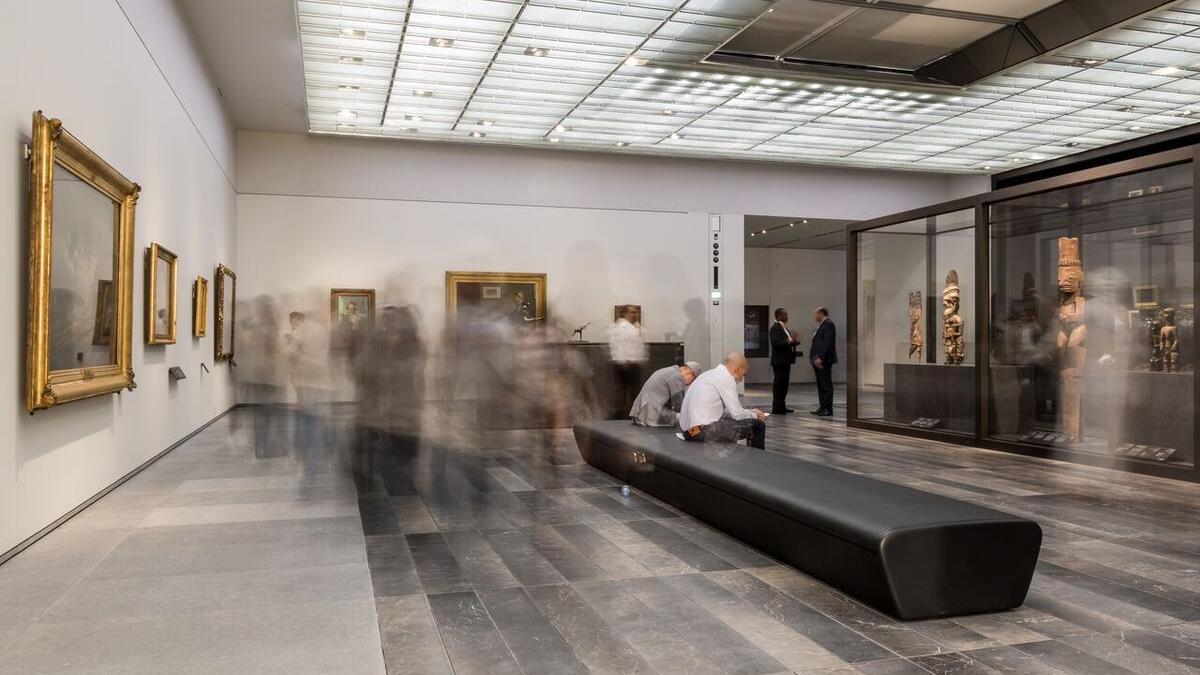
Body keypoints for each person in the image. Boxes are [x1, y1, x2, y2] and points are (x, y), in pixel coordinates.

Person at [679, 353, 767, 449]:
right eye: (744, 374)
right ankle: (756, 461)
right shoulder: (726, 378)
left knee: (728, 421)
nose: (742, 378)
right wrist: (756, 416)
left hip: (689, 432)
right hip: (701, 432)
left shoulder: (708, 374)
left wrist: (749, 412)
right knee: (758, 425)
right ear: (737, 369)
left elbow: (725, 411)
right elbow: (737, 415)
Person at [629, 361, 703, 427]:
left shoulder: (669, 371)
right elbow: (679, 405)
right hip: (650, 414)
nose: (690, 384)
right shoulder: (677, 377)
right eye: (693, 380)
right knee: (686, 419)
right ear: (689, 373)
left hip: (638, 412)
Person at [608, 306, 647, 416]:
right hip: (623, 364)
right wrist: (623, 360)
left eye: (636, 312)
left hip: (634, 364)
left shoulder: (636, 327)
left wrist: (642, 359)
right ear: (625, 313)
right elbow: (616, 345)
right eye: (632, 312)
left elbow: (639, 346)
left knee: (634, 391)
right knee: (622, 391)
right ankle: (621, 415)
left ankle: (632, 413)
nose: (634, 314)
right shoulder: (620, 327)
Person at [768, 307, 801, 414]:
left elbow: (788, 342)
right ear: (778, 316)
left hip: (785, 360)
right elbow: (776, 343)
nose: (787, 316)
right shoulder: (775, 328)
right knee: (779, 385)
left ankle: (782, 406)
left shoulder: (784, 328)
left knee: (784, 385)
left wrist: (794, 341)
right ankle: (776, 408)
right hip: (779, 361)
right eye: (784, 314)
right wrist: (789, 340)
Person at [810, 307, 838, 417]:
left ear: (821, 313)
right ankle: (822, 407)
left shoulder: (829, 324)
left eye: (816, 314)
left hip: (823, 361)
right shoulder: (822, 324)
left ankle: (828, 408)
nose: (815, 316)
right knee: (821, 384)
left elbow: (828, 343)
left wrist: (821, 358)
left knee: (826, 385)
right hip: (817, 360)